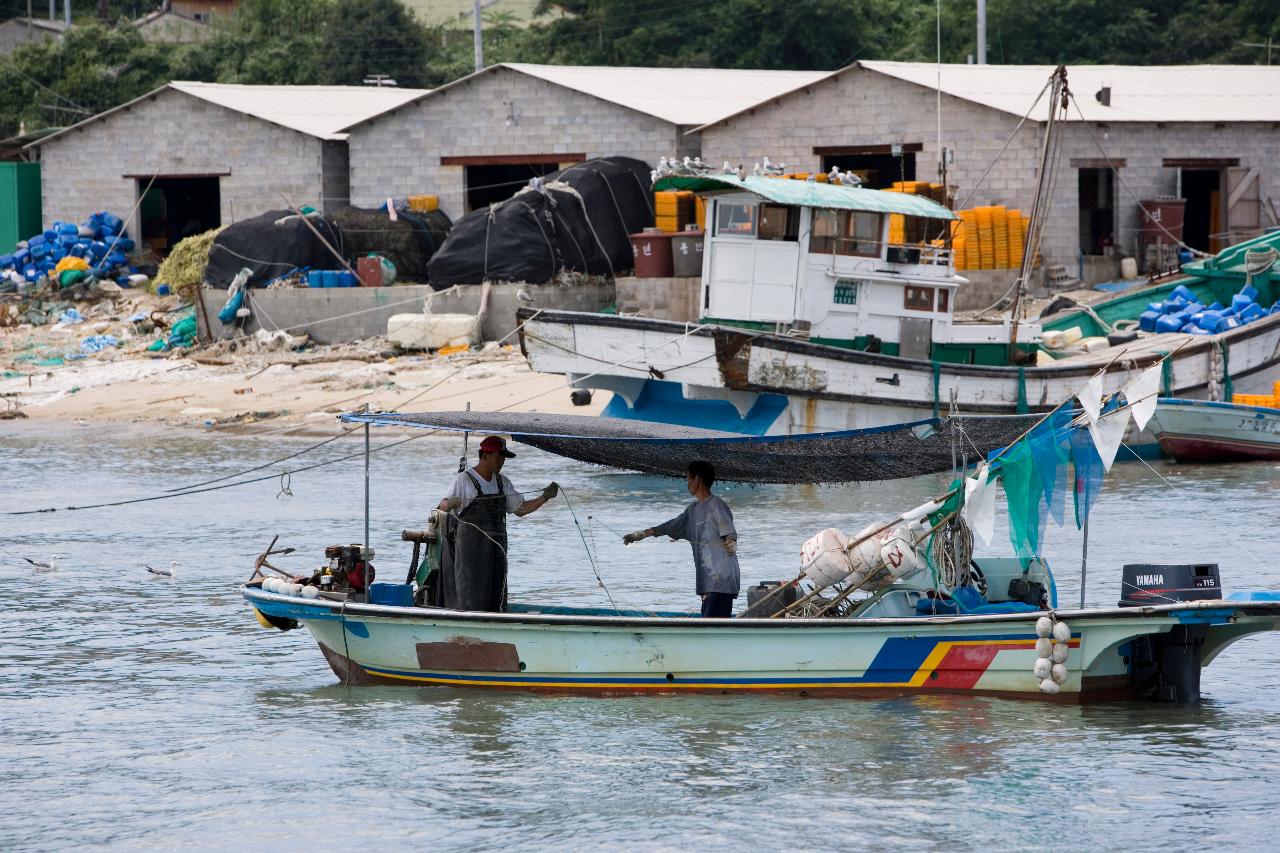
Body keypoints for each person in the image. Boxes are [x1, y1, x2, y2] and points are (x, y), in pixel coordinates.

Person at [436, 435, 557, 612]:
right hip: (470, 553)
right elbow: (442, 506)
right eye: (498, 457)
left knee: (497, 594)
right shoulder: (463, 480)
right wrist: (450, 503)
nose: (501, 462)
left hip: (497, 551)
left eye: (503, 458)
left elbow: (521, 509)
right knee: (470, 592)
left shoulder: (503, 482)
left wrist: (545, 497)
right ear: (484, 456)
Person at [623, 460, 740, 617]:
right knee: (708, 628)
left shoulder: (717, 505)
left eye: (689, 479)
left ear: (697, 479)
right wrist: (641, 535)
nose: (688, 483)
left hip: (722, 582)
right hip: (707, 585)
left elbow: (729, 533)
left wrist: (730, 542)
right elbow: (670, 526)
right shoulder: (692, 510)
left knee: (711, 631)